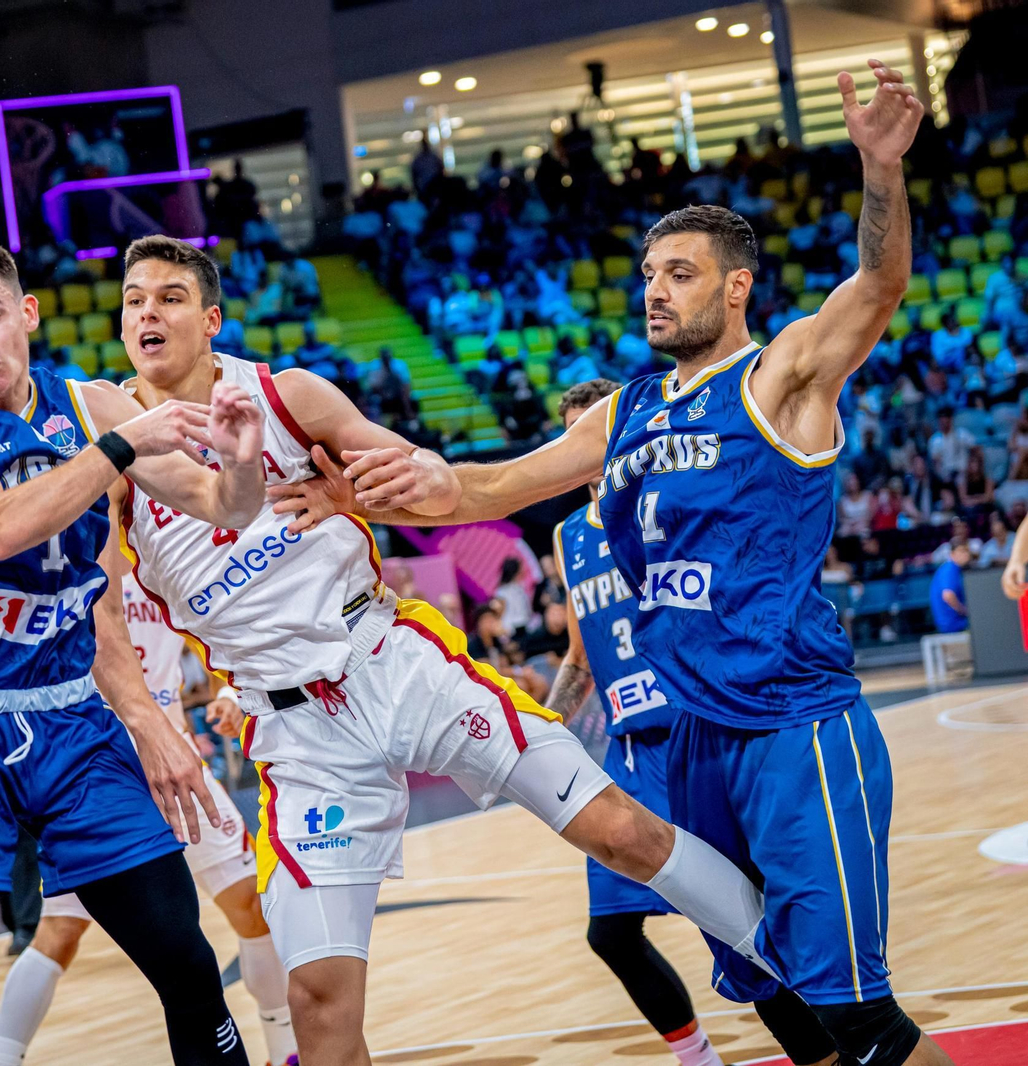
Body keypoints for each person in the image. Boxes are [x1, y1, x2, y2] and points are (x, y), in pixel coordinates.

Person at [273, 61, 952, 1066]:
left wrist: (880, 169)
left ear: (735, 286)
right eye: (647, 275)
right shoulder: (625, 410)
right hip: (690, 740)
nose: (654, 291)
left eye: (679, 274)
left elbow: (878, 286)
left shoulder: (781, 376)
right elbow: (491, 487)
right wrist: (365, 494)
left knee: (855, 1013)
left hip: (792, 723)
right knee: (776, 993)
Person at [118, 234, 788, 1066]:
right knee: (317, 999)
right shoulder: (113, 450)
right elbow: (105, 613)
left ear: (211, 318)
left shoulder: (286, 395)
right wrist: (149, 721)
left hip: (391, 659)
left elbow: (426, 481)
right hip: (294, 730)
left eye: (170, 297)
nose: (149, 313)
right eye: (134, 300)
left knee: (620, 832)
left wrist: (356, 491)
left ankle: (817, 982)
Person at [0, 239, 267, 1066]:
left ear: (27, 314)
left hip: (72, 723)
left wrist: (243, 464)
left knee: (189, 967)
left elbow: (219, 508)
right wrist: (123, 447)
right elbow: (0, 527)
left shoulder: (89, 405)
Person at [548, 379, 836, 1066]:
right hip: (629, 756)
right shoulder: (567, 536)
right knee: (611, 933)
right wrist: (537, 729)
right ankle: (699, 1058)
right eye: (572, 435)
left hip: (693, 732)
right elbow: (581, 655)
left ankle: (825, 1052)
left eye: (594, 431)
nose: (584, 448)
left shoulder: (669, 505)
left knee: (744, 930)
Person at [0, 559, 297, 1066]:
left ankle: (284, 1051)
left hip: (174, 755)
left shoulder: (164, 554)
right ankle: (2, 1058)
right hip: (96, 768)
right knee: (59, 933)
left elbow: (217, 629)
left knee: (251, 906)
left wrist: (227, 692)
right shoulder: (62, 562)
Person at [930, 540, 971, 633]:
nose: (966, 554)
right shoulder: (950, 569)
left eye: (967, 551)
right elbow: (948, 596)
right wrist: (966, 611)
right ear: (952, 554)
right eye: (962, 551)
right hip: (953, 624)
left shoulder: (953, 569)